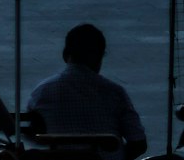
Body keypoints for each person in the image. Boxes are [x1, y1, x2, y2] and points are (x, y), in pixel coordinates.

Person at [27, 24, 146, 160]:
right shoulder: (115, 92)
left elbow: (34, 134)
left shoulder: (42, 92)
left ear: (65, 54)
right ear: (100, 56)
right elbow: (138, 143)